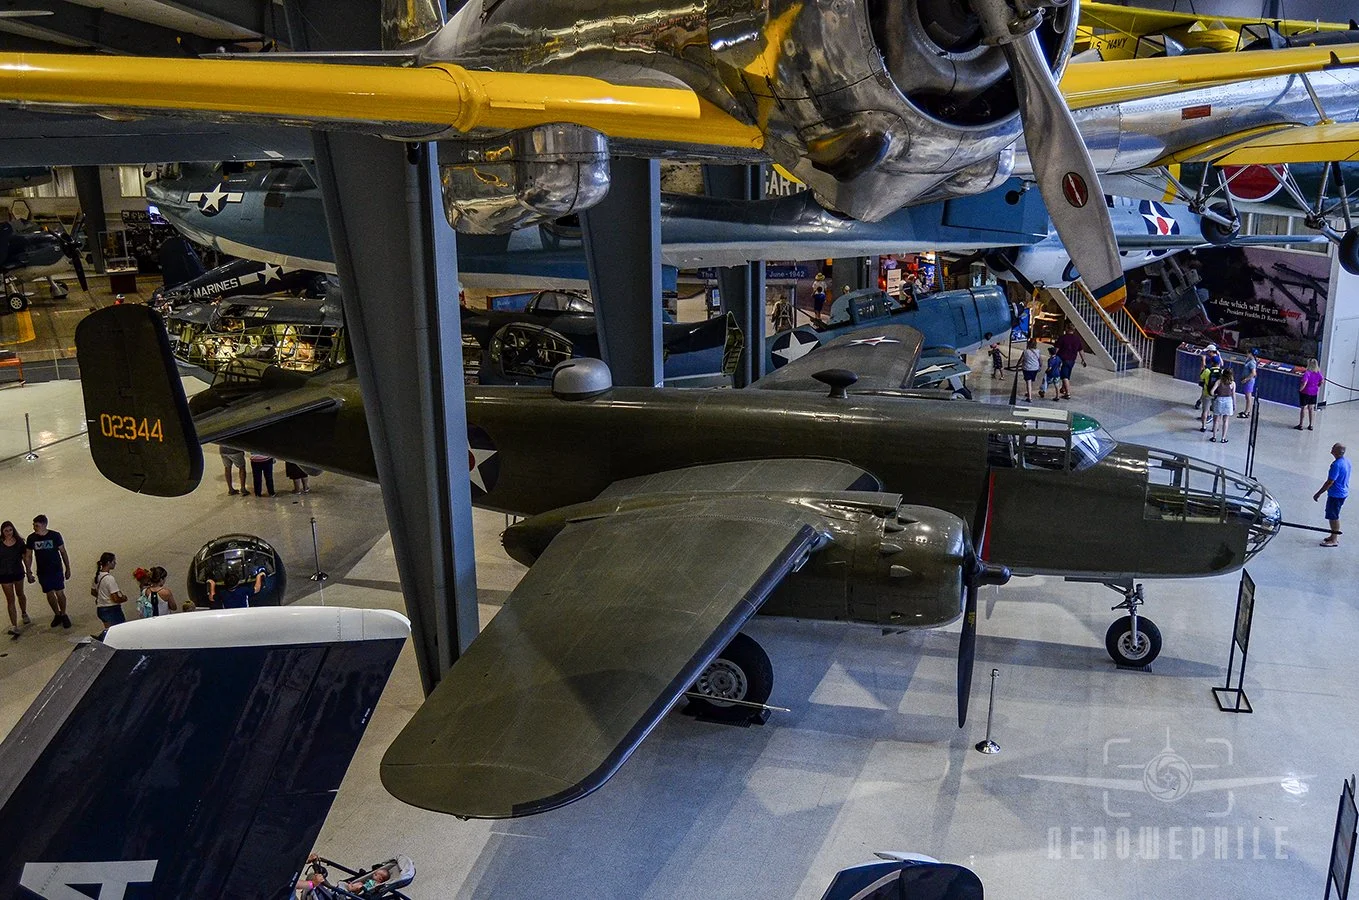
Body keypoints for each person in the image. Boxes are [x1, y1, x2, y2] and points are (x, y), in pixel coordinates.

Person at [24, 515, 70, 629]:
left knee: (60, 593)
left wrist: (68, 568)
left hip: (56, 570)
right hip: (43, 572)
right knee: (49, 594)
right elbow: (28, 556)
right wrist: (28, 571)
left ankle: (64, 613)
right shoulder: (31, 538)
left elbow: (63, 552)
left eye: (37, 525)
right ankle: (57, 614)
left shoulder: (55, 536)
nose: (34, 527)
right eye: (34, 525)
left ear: (44, 525)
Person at [1314, 443, 1350, 547]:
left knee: (1333, 516)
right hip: (1343, 492)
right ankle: (1333, 535)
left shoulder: (1336, 465)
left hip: (1336, 495)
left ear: (1337, 452)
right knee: (1333, 515)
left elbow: (1330, 482)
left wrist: (1318, 493)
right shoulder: (1346, 461)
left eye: (1333, 448)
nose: (1331, 450)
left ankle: (1334, 539)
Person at [0, 520, 29, 637]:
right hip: (3, 575)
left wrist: (29, 571)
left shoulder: (19, 543)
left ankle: (24, 612)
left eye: (10, 530)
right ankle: (14, 625)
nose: (8, 533)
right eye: (6, 531)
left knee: (20, 594)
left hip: (17, 572)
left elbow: (25, 558)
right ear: (2, 531)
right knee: (10, 599)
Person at [91, 552, 128, 638]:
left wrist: (102, 597)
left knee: (109, 631)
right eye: (113, 561)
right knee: (120, 632)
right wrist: (123, 598)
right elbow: (115, 598)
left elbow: (93, 592)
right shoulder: (109, 579)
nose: (115, 563)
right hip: (112, 609)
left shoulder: (96, 576)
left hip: (101, 609)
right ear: (108, 562)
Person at [1053, 323, 1087, 400]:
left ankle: (1068, 393)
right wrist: (1083, 360)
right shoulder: (1077, 339)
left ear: (1067, 329)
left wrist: (1053, 356)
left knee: (1064, 376)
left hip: (1063, 359)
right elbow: (1081, 350)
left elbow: (1057, 349)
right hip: (1072, 360)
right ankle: (1063, 388)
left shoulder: (1062, 338)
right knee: (1067, 374)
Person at [1295, 358, 1323, 430]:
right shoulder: (1318, 373)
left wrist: (1300, 389)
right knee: (1311, 408)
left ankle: (1301, 424)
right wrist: (1318, 386)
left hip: (1305, 392)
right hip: (1314, 392)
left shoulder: (1307, 373)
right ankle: (1311, 425)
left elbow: (1304, 382)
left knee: (1303, 408)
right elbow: (1322, 381)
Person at [1197, 355, 1223, 432]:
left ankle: (1203, 427)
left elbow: (1201, 378)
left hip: (1207, 393)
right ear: (1219, 363)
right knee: (1216, 412)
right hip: (1217, 394)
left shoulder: (1207, 371)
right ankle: (1215, 428)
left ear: (1211, 362)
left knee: (1205, 411)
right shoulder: (1222, 372)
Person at [1209, 368, 1235, 443]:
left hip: (1219, 400)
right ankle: (1223, 438)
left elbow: (1211, 392)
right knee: (1225, 420)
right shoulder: (1232, 383)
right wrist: (1234, 404)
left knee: (1216, 420)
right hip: (1228, 401)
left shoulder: (1219, 381)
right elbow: (1233, 394)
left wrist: (1215, 395)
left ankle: (1214, 437)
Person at [1237, 348, 1259, 419]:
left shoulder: (1252, 362)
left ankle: (1247, 412)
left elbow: (1253, 373)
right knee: (1247, 396)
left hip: (1249, 382)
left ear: (1250, 353)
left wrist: (1246, 379)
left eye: (1248, 352)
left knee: (1248, 396)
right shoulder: (1248, 360)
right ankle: (1247, 410)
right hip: (1246, 380)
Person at [1020, 338, 1042, 402]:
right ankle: (1029, 393)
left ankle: (1029, 397)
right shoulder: (1038, 351)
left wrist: (1017, 365)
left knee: (1028, 382)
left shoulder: (1025, 351)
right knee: (1031, 381)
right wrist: (1040, 366)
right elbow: (1040, 360)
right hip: (1035, 368)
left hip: (1027, 368)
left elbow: (1021, 360)